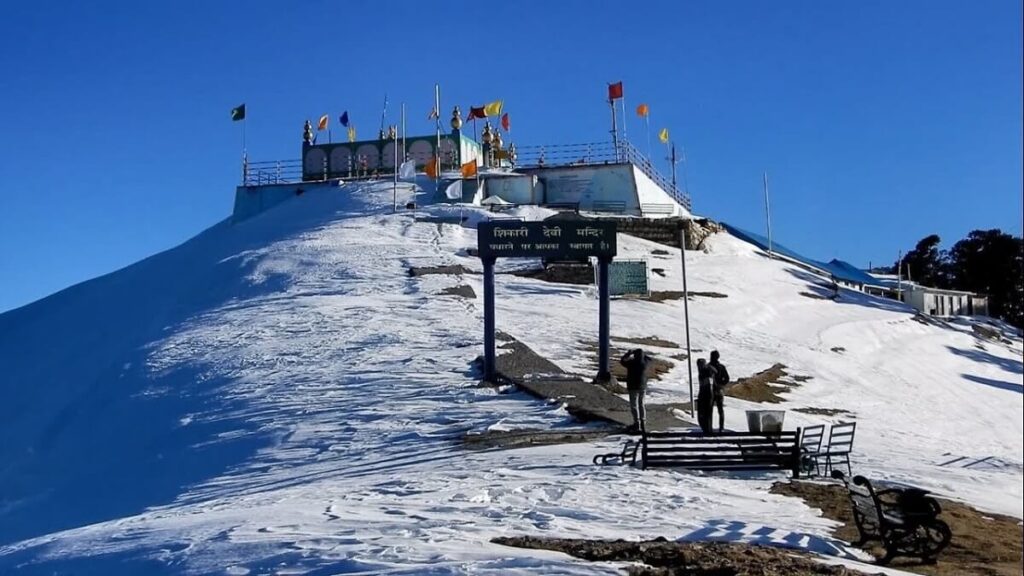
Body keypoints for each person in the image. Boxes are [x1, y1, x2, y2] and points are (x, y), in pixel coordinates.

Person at [620, 348, 651, 433]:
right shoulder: (644, 364)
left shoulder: (631, 363)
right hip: (642, 387)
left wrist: (628, 354)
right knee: (641, 404)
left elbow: (622, 361)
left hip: (633, 386)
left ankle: (637, 423)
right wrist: (643, 355)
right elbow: (649, 359)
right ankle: (643, 422)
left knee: (634, 405)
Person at [709, 350, 730, 433]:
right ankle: (721, 428)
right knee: (720, 410)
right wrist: (721, 385)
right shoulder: (721, 367)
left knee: (710, 410)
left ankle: (710, 427)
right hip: (719, 390)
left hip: (711, 391)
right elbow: (727, 378)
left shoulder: (708, 367)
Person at [696, 358, 717, 435]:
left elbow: (714, 372)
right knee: (704, 413)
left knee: (706, 413)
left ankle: (707, 429)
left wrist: (709, 367)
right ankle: (707, 429)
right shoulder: (702, 372)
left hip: (707, 393)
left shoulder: (707, 371)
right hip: (704, 393)